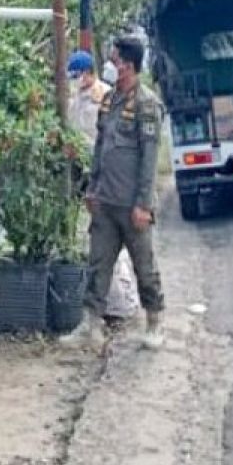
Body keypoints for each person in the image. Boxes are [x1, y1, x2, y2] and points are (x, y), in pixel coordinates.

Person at [70, 36, 166, 351]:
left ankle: (154, 321)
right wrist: (92, 187)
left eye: (115, 60)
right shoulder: (109, 101)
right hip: (106, 202)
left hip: (132, 206)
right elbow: (100, 148)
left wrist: (142, 204)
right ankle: (90, 324)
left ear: (128, 64)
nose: (111, 65)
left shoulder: (146, 104)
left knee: (144, 265)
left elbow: (149, 159)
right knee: (98, 263)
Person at [66, 50, 111, 150]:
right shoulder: (73, 94)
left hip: (95, 151)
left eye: (76, 76)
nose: (73, 80)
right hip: (74, 151)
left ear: (86, 73)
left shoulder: (106, 94)